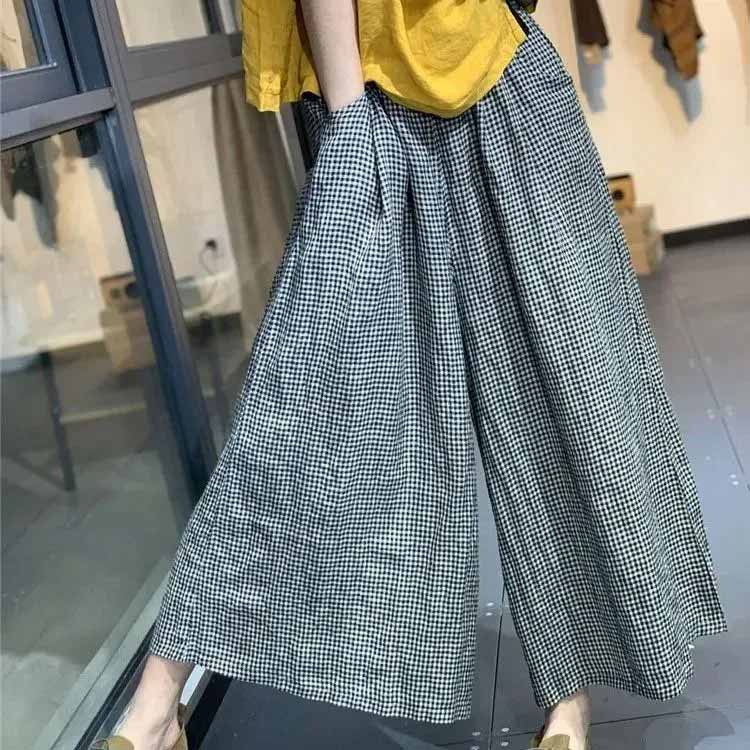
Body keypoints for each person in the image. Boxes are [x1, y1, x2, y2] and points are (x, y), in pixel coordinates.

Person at [92, 2, 728, 749]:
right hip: (371, 108)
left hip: (495, 81)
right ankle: (158, 704)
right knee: (304, 411)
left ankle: (569, 701)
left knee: (558, 395)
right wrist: (349, 117)